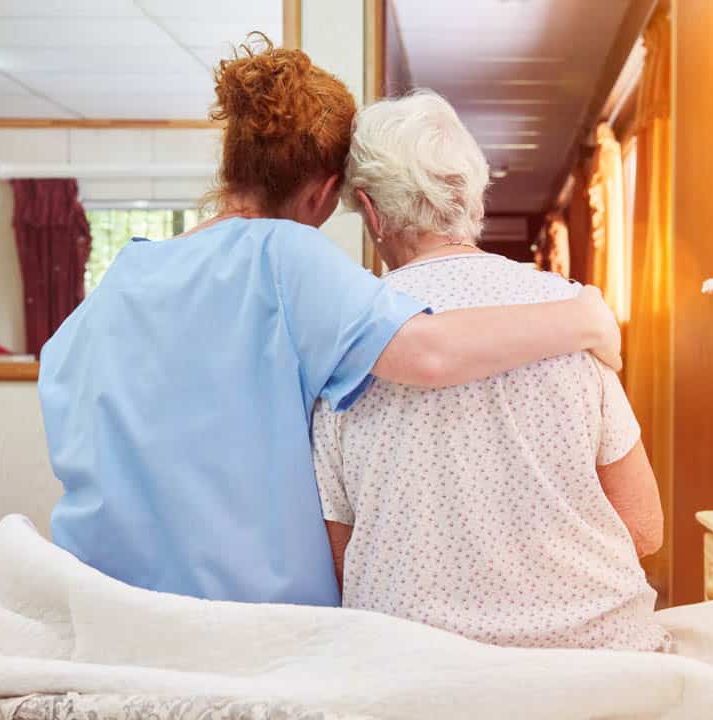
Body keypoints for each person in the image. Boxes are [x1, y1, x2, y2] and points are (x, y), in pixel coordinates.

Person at [36, 37, 621, 608]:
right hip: (249, 620)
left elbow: (68, 394)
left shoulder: (129, 271)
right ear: (324, 192)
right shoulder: (283, 253)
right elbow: (431, 354)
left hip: (104, 598)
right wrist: (584, 316)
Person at [312, 91, 669, 651]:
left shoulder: (347, 341)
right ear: (472, 197)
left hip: (418, 673)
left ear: (372, 212)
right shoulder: (571, 315)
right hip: (600, 664)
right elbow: (644, 527)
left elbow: (338, 557)